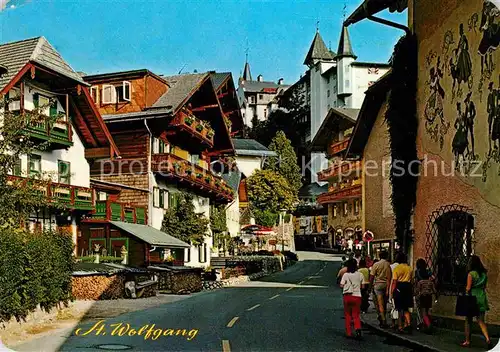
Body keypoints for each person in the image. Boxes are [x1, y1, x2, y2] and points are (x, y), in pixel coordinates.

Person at [461, 255, 492, 349]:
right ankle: (487, 339)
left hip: (472, 298)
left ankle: (467, 341)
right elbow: (484, 286)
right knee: (481, 321)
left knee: (468, 320)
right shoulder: (484, 274)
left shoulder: (471, 274)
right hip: (482, 297)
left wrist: (466, 294)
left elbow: (468, 288)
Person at [340, 259, 365, 339]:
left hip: (347, 296)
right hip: (357, 296)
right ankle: (357, 329)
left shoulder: (346, 275)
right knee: (356, 315)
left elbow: (341, 285)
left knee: (347, 314)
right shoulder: (360, 275)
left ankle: (348, 332)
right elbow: (363, 286)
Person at [391, 252, 413, 333]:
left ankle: (400, 326)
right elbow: (412, 279)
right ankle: (408, 324)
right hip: (408, 286)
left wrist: (392, 292)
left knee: (400, 308)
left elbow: (394, 281)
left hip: (399, 287)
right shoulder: (409, 268)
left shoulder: (397, 268)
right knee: (406, 307)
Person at [370, 250, 392, 328]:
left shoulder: (376, 264)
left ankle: (383, 319)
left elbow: (372, 276)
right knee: (384, 303)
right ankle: (383, 316)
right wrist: (387, 289)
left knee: (380, 304)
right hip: (386, 285)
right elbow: (389, 278)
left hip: (378, 285)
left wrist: (370, 287)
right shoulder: (388, 265)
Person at [415, 267, 436, 332]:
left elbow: (417, 290)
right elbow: (435, 290)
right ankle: (426, 325)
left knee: (423, 313)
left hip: (423, 297)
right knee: (427, 311)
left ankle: (429, 325)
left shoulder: (420, 282)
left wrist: (417, 296)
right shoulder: (430, 282)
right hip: (429, 297)